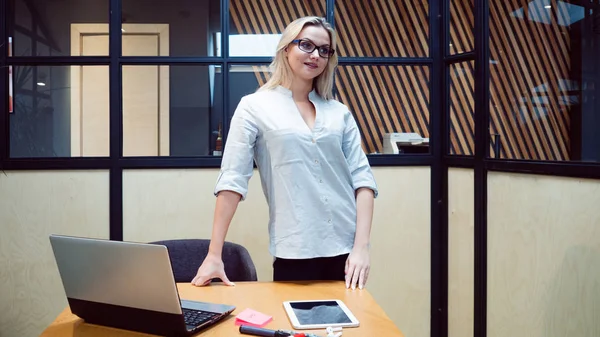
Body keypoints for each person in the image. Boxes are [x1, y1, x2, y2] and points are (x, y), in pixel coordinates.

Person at [191, 16, 378, 290]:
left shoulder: (339, 113)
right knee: (297, 328)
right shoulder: (254, 107)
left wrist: (361, 248)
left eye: (324, 50)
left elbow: (363, 181)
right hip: (295, 248)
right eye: (306, 45)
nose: (315, 55)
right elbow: (232, 181)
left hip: (347, 251)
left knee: (346, 329)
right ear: (286, 48)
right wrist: (214, 254)